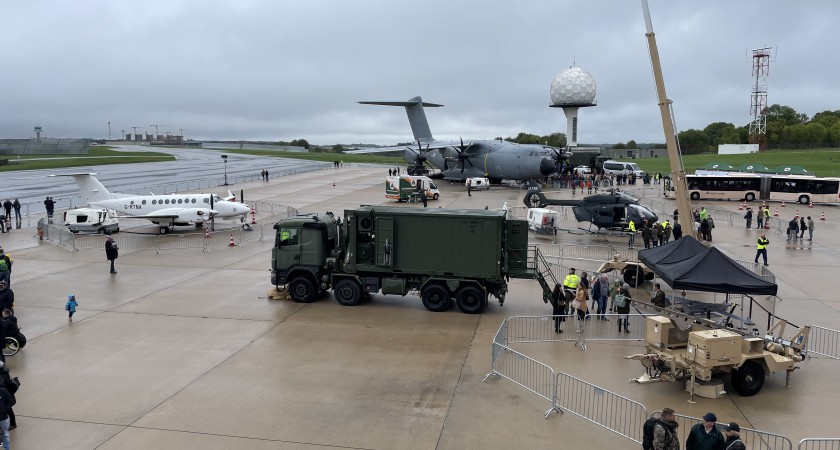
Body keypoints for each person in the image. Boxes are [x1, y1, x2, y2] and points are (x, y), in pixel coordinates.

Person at [0, 385, 13, 450]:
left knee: (5, 435)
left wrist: (5, 409)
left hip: (3, 418)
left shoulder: (3, 391)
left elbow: (11, 401)